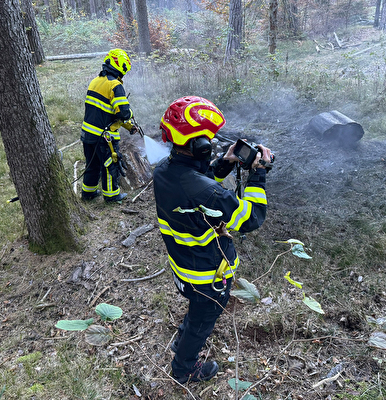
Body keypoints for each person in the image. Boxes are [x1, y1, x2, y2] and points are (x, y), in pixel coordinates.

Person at [153, 96, 272, 384]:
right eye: (209, 140)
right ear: (199, 146)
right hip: (208, 275)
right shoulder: (211, 195)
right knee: (203, 318)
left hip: (183, 266)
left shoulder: (164, 172)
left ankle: (181, 339)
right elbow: (251, 218)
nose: (213, 144)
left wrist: (226, 162)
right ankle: (184, 368)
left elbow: (196, 179)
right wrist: (258, 175)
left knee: (196, 310)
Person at [80, 48, 137, 203]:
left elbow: (108, 113)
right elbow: (123, 113)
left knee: (92, 164)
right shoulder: (115, 85)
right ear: (121, 68)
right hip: (105, 137)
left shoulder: (95, 81)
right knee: (110, 164)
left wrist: (129, 127)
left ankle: (88, 192)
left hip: (88, 134)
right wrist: (130, 115)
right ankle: (112, 196)